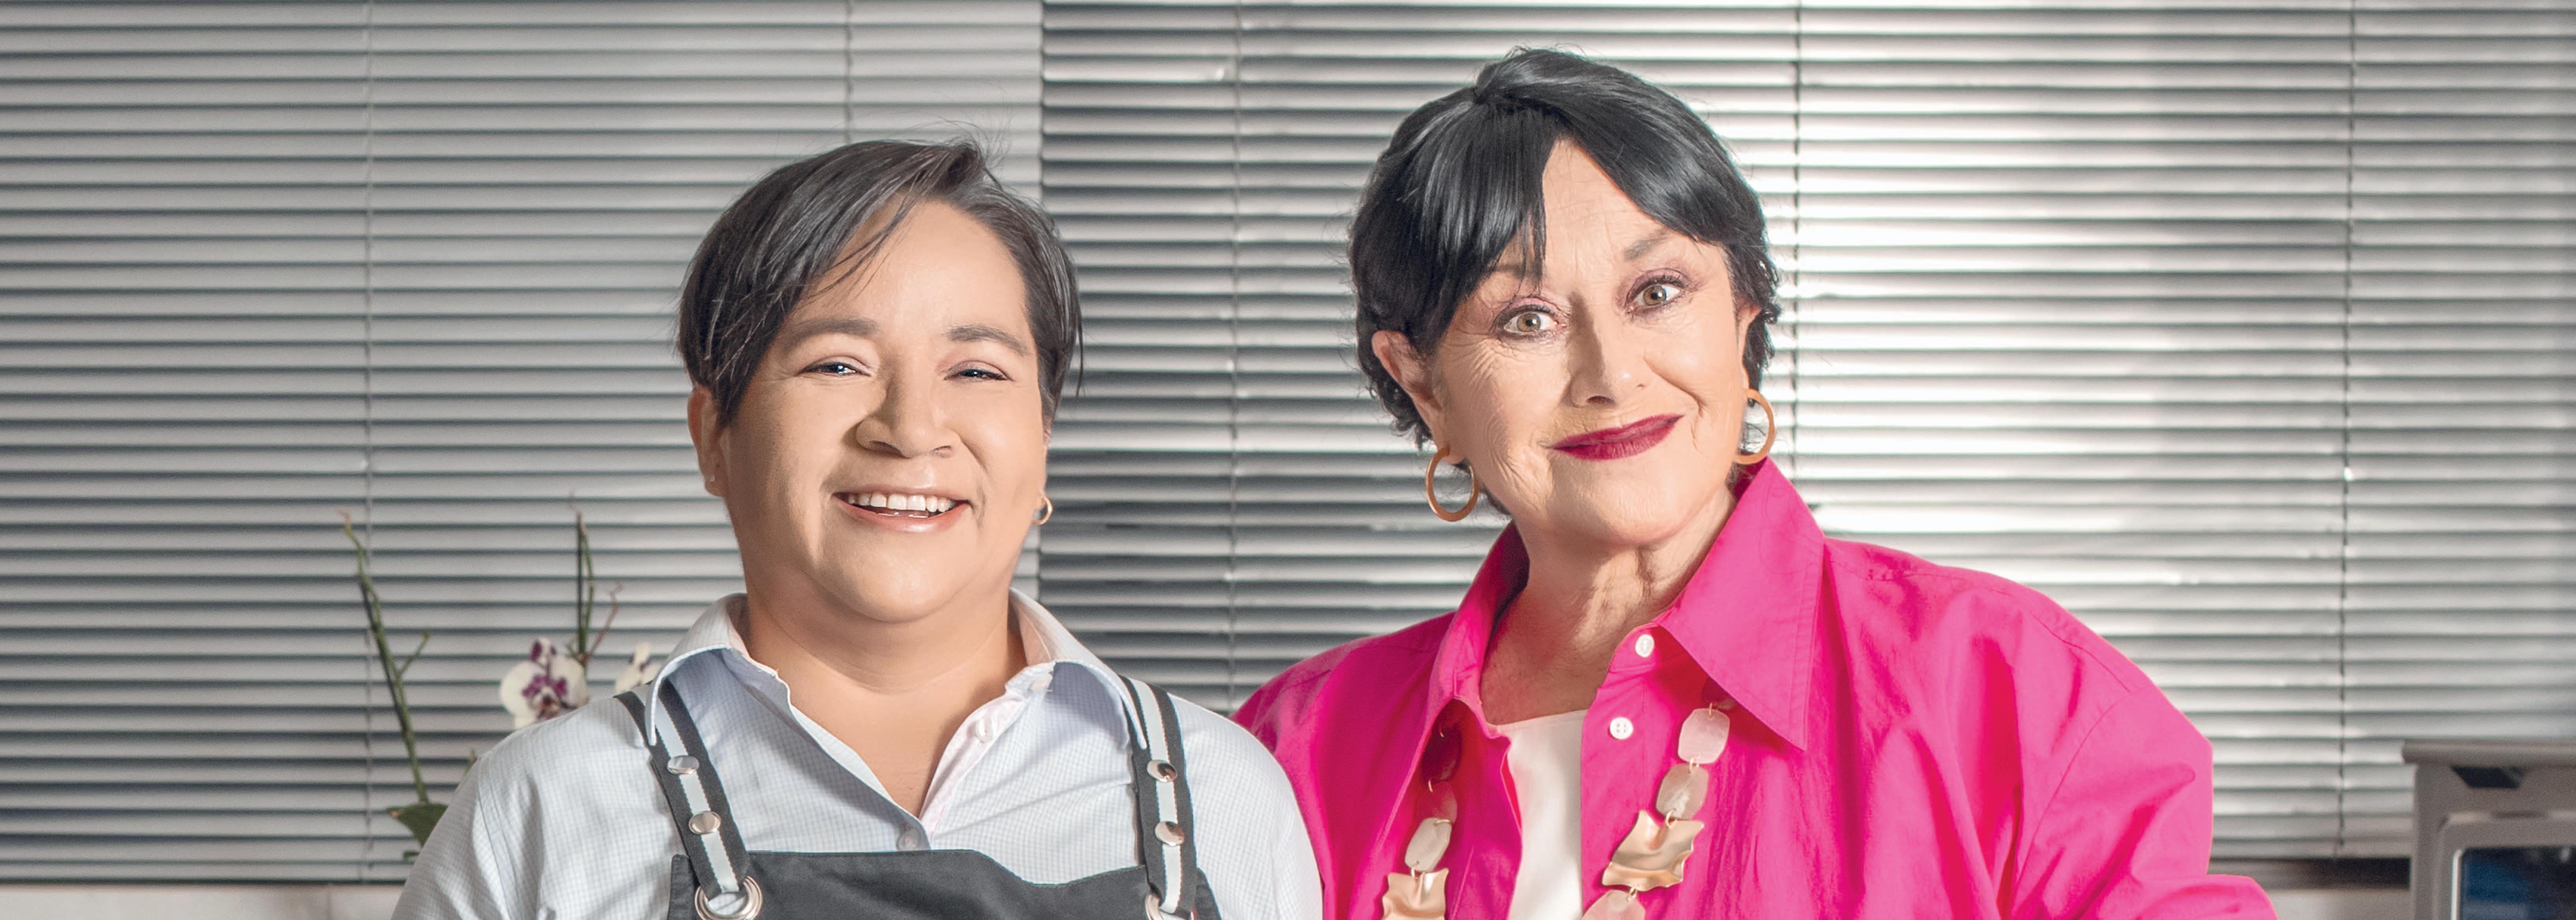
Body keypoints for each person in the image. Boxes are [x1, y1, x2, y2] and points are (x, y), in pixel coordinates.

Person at [1233, 50, 2275, 920]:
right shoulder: (1293, 750)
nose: (1611, 376)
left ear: (1741, 313)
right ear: (1425, 384)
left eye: (1657, 292)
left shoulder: (2012, 693)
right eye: (1526, 319)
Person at [396, 139, 1320, 920]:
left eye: (977, 371)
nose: (910, 429)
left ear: (1042, 441)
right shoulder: (543, 809)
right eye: (837, 364)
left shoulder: (1225, 795)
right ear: (713, 435)